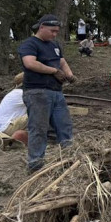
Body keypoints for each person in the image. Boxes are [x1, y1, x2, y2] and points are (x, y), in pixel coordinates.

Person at [18, 14, 75, 172]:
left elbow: (62, 61)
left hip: (56, 92)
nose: (55, 34)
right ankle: (35, 164)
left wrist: (69, 74)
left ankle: (70, 158)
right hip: (37, 92)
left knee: (65, 125)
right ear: (41, 27)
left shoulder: (54, 45)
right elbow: (30, 63)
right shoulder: (30, 44)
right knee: (39, 128)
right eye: (52, 31)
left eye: (57, 31)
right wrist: (53, 71)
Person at [0, 73, 28, 145]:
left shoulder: (15, 93)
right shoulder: (21, 93)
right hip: (8, 128)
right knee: (40, 110)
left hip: (3, 129)